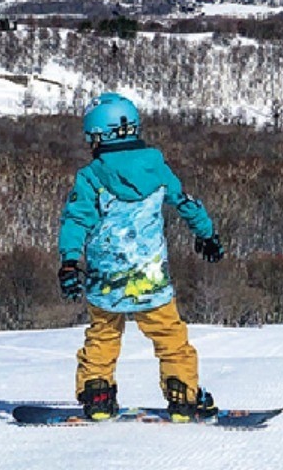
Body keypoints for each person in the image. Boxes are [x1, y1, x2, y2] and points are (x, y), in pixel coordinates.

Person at [57, 92, 225, 422]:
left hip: (106, 281)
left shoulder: (90, 177)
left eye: (91, 138)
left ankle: (98, 392)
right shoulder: (157, 167)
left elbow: (76, 219)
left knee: (102, 335)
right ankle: (183, 393)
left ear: (100, 136)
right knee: (170, 337)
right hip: (151, 280)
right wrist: (207, 235)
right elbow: (186, 203)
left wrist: (69, 261)